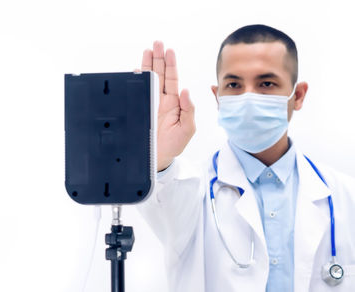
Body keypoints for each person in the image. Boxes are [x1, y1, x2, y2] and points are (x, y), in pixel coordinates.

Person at [136, 24, 355, 292]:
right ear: (218, 97)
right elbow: (163, 195)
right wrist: (162, 156)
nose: (248, 96)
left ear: (297, 96)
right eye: (234, 84)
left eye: (266, 83)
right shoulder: (190, 194)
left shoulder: (346, 197)